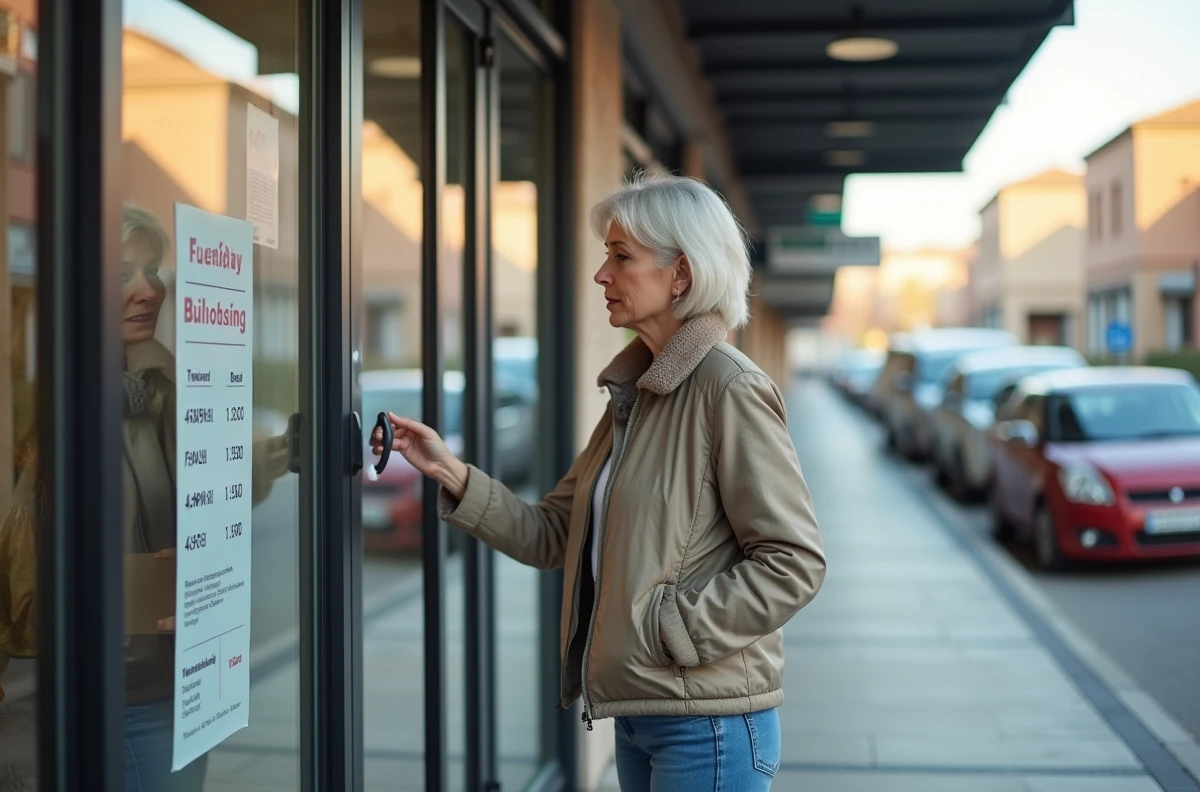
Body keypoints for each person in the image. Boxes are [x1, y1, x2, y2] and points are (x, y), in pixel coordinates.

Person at [372, 172, 826, 791]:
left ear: (681, 274)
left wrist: (671, 631)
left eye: (620, 257)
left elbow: (793, 561)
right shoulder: (635, 395)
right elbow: (553, 532)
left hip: (710, 726)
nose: (601, 276)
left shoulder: (729, 388)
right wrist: (447, 468)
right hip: (641, 715)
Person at [0, 204, 290, 791]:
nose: (148, 289)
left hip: (180, 679)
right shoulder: (51, 408)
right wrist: (158, 586)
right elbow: (31, 567)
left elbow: (206, 477)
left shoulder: (154, 389)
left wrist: (289, 452)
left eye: (152, 269)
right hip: (118, 693)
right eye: (124, 273)